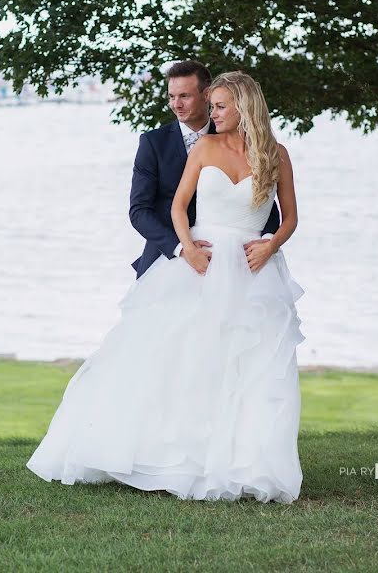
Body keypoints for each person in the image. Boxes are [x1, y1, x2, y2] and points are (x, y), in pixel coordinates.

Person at [26, 71, 304, 504]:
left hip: (253, 270)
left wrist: (269, 248)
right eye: (208, 105)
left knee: (251, 366)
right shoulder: (204, 148)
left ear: (245, 106)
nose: (211, 113)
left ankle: (245, 463)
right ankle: (174, 457)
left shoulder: (276, 154)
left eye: (218, 106)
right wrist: (187, 248)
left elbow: (289, 218)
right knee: (179, 359)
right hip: (197, 262)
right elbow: (174, 205)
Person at [128, 60, 280, 279]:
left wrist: (266, 243)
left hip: (238, 261)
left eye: (184, 96)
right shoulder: (153, 143)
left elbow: (264, 202)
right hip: (168, 258)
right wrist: (183, 249)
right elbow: (139, 211)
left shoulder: (234, 138)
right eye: (171, 97)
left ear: (206, 94)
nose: (175, 104)